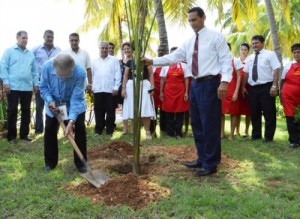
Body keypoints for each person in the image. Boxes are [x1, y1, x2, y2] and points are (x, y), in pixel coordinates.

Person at [143, 7, 232, 176]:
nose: (192, 23)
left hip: (210, 83)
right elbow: (173, 57)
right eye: (190, 21)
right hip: (195, 85)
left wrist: (225, 81)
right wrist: (152, 60)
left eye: (194, 20)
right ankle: (201, 158)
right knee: (197, 123)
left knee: (209, 124)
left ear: (203, 18)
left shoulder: (216, 37)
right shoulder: (190, 41)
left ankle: (211, 163)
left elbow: (226, 60)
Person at [39, 53, 87, 173]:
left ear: (72, 68)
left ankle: (81, 164)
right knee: (50, 130)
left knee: (80, 128)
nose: (64, 79)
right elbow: (43, 87)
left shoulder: (80, 72)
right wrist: (50, 101)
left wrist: (71, 121)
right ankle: (50, 163)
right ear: (54, 68)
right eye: (60, 76)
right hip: (54, 104)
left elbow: (76, 99)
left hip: (73, 104)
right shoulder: (46, 67)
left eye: (67, 77)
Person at [0, 30, 39, 144]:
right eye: (23, 38)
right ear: (17, 38)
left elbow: (34, 71)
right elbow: (3, 68)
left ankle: (24, 135)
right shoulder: (9, 51)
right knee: (12, 110)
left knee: (26, 111)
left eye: (27, 38)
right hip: (12, 87)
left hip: (27, 87)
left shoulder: (30, 53)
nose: (25, 40)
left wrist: (36, 84)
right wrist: (6, 82)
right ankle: (11, 137)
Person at [243, 35, 281, 143]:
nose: (254, 45)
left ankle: (268, 137)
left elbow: (276, 70)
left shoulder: (270, 54)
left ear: (262, 43)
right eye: (253, 43)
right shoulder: (249, 58)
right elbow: (246, 74)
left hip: (267, 87)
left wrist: (274, 86)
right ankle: (256, 135)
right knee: (254, 112)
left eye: (257, 43)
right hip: (253, 88)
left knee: (269, 112)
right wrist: (243, 87)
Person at [122, 43, 155, 140]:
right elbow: (125, 75)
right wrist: (123, 88)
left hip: (144, 85)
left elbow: (151, 75)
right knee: (133, 109)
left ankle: (147, 132)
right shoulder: (129, 62)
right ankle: (136, 132)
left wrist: (152, 87)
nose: (136, 52)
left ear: (141, 51)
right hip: (131, 85)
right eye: (134, 50)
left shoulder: (146, 61)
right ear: (132, 51)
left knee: (145, 108)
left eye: (138, 50)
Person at [32, 30, 61, 135]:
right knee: (39, 106)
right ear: (43, 37)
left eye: (51, 37)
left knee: (55, 105)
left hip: (55, 83)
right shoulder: (35, 50)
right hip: (40, 82)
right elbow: (31, 65)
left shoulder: (59, 51)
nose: (50, 39)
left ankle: (55, 129)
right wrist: (34, 82)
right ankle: (39, 130)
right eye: (48, 37)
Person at [91, 41, 121, 136]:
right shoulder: (94, 61)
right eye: (102, 48)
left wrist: (116, 87)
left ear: (108, 49)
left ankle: (110, 130)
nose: (104, 50)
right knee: (98, 110)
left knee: (110, 111)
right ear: (99, 49)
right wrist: (92, 86)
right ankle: (98, 129)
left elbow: (118, 74)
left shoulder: (114, 60)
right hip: (98, 89)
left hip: (110, 90)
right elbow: (91, 75)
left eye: (106, 48)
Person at [160, 47, 191, 138]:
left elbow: (186, 79)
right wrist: (161, 92)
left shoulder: (184, 66)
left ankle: (178, 133)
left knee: (180, 112)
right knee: (168, 112)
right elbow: (162, 80)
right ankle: (170, 133)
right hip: (168, 91)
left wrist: (186, 92)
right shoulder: (165, 65)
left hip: (180, 91)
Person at [221, 43, 243, 141]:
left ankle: (231, 134)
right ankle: (221, 133)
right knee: (221, 113)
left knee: (233, 113)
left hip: (232, 89)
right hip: (221, 90)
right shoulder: (219, 61)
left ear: (229, 49)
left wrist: (236, 92)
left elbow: (239, 77)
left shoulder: (236, 60)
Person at [280, 43, 300, 149]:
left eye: (299, 52)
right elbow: (282, 81)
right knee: (290, 117)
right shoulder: (288, 66)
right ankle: (293, 141)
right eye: (295, 52)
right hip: (288, 96)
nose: (297, 54)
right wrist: (280, 94)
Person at [150, 45, 168, 136]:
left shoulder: (168, 62)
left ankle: (164, 130)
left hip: (166, 90)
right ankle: (152, 130)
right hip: (155, 90)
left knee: (164, 111)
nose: (160, 51)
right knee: (153, 110)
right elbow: (150, 76)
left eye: (162, 50)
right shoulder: (154, 63)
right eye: (159, 50)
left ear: (165, 51)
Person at [237, 43, 251, 137]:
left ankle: (246, 131)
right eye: (242, 49)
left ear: (248, 51)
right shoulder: (236, 61)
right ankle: (236, 130)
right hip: (237, 88)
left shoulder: (250, 60)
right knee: (237, 110)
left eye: (245, 49)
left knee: (248, 110)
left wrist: (245, 86)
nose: (243, 51)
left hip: (248, 87)